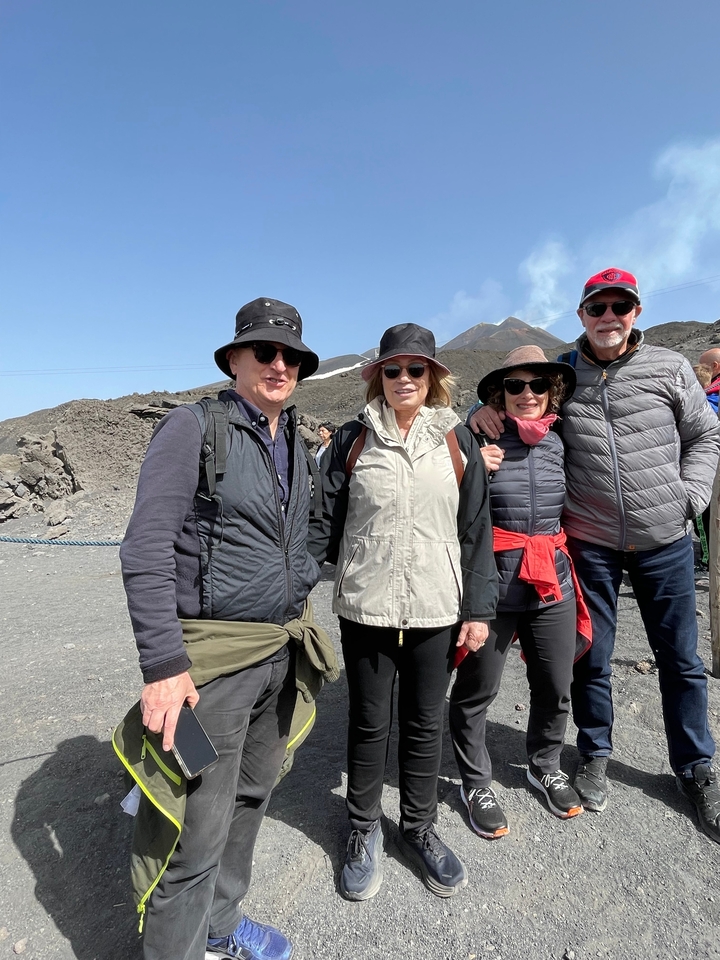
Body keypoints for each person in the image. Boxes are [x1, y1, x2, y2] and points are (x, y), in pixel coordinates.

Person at [470, 268, 720, 844]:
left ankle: (696, 767)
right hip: (592, 542)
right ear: (581, 315)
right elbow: (518, 404)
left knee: (681, 659)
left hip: (665, 538)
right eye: (597, 307)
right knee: (593, 654)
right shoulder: (562, 375)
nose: (609, 316)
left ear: (636, 312)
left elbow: (706, 436)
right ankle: (595, 753)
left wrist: (692, 495)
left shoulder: (671, 368)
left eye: (620, 306)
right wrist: (480, 410)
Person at [120, 297, 326, 960]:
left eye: (289, 354)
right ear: (233, 358)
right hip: (211, 671)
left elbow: (310, 531)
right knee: (194, 830)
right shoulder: (192, 429)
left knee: (253, 795)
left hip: (278, 655)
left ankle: (219, 931)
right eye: (263, 350)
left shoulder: (297, 438)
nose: (277, 363)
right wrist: (161, 667)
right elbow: (145, 547)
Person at [308, 323, 497, 901]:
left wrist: (478, 608)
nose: (404, 379)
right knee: (369, 722)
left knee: (422, 722)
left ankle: (418, 827)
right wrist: (301, 583)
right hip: (365, 605)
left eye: (417, 370)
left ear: (434, 376)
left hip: (437, 607)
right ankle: (363, 828)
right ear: (378, 377)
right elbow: (323, 521)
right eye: (393, 370)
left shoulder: (458, 441)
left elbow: (476, 533)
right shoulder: (351, 440)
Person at [450, 346, 590, 836]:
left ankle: (544, 763)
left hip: (549, 578)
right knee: (477, 689)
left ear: (552, 392)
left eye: (536, 385)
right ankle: (474, 780)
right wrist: (473, 463)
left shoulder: (563, 436)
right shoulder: (476, 438)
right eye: (514, 386)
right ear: (498, 394)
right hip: (492, 585)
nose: (526, 394)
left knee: (555, 683)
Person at [698, 348, 720, 414]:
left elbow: (707, 411)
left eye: (702, 366)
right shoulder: (714, 383)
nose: (699, 369)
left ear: (714, 365)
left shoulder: (716, 391)